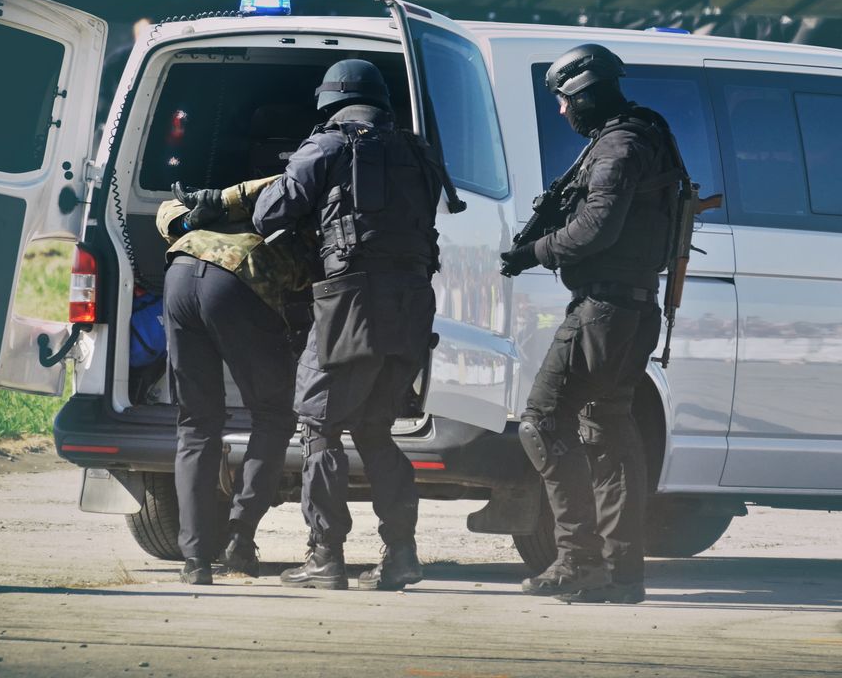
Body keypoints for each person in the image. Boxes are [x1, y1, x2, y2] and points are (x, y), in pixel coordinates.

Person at [251, 58, 455, 591]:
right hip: (412, 306)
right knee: (373, 429)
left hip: (351, 303)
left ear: (330, 101)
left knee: (319, 426)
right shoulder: (418, 150)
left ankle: (325, 557)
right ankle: (402, 554)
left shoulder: (327, 146)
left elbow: (269, 214)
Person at [499, 44, 684, 604]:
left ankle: (579, 558)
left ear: (583, 91)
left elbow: (596, 229)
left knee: (543, 422)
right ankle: (620, 571)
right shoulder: (647, 133)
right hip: (631, 308)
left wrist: (534, 252)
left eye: (562, 100)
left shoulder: (619, 145)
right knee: (609, 429)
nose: (560, 111)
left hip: (603, 311)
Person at [156, 176, 316, 585]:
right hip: (235, 280)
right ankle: (240, 538)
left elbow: (167, 219)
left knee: (196, 422)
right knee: (274, 417)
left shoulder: (209, 207)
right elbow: (305, 284)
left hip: (179, 275)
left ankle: (194, 560)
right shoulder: (297, 218)